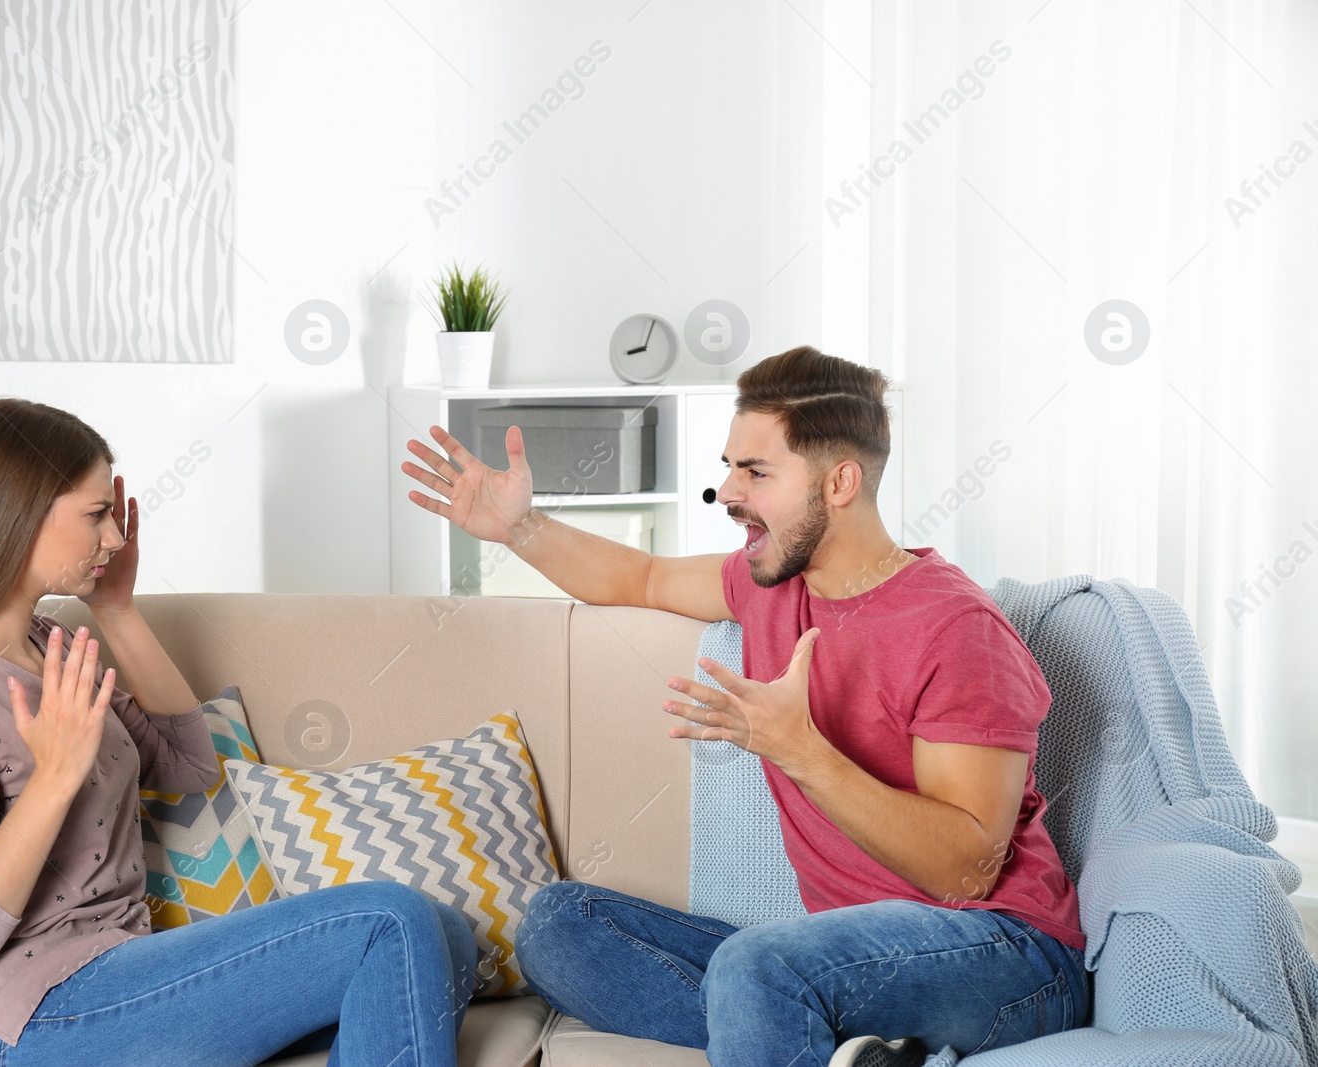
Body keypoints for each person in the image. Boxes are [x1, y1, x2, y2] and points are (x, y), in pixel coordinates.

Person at [399, 346, 1090, 1067]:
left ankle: (785, 1015)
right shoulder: (770, 583)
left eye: (756, 472)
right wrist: (520, 528)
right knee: (555, 926)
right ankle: (843, 1045)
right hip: (851, 955)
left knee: (756, 968)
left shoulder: (956, 628)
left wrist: (802, 749)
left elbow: (967, 872)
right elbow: (641, 574)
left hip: (1009, 957)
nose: (726, 492)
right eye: (730, 466)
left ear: (840, 482)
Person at [0, 398, 478, 1067]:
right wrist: (51, 783)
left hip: (123, 975)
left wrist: (115, 611)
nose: (115, 537)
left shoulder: (51, 644)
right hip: (25, 1024)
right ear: (17, 516)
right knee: (393, 921)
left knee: (449, 935)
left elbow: (188, 765)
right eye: (95, 515)